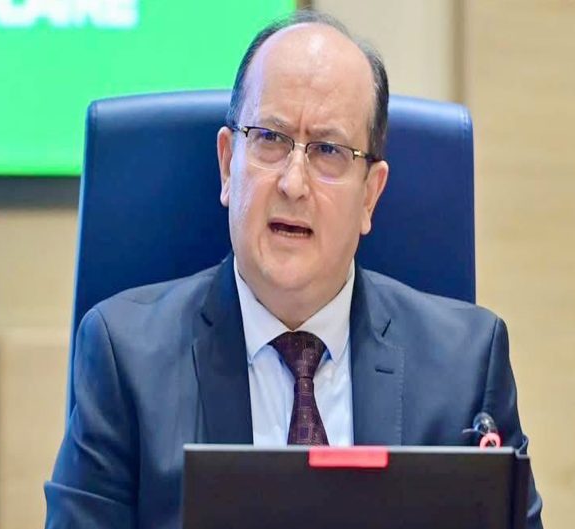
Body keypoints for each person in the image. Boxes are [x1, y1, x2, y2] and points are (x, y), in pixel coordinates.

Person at [44, 10, 543, 529]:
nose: (293, 183)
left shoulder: (466, 367)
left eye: (328, 150)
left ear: (370, 195)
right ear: (227, 164)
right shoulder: (125, 359)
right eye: (270, 138)